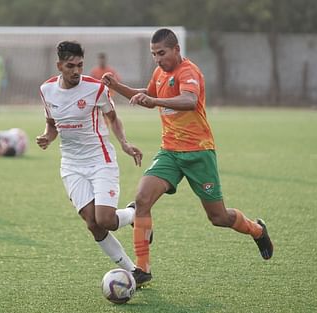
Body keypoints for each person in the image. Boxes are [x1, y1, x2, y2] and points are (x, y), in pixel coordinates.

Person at [102, 28, 274, 287]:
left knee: (218, 218)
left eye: (162, 53)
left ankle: (257, 230)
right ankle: (143, 269)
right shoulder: (160, 72)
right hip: (170, 152)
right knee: (142, 199)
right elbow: (146, 94)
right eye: (153, 54)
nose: (158, 59)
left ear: (176, 50)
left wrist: (155, 100)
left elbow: (189, 101)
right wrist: (117, 86)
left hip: (198, 152)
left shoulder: (188, 71)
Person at [36, 41, 144, 276]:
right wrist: (47, 137)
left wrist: (124, 143)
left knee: (104, 219)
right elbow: (52, 124)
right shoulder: (46, 90)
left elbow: (113, 118)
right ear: (59, 65)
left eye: (80, 65)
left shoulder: (96, 89)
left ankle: (134, 213)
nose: (76, 71)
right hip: (71, 166)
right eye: (70, 66)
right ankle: (134, 270)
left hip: (100, 160)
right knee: (92, 223)